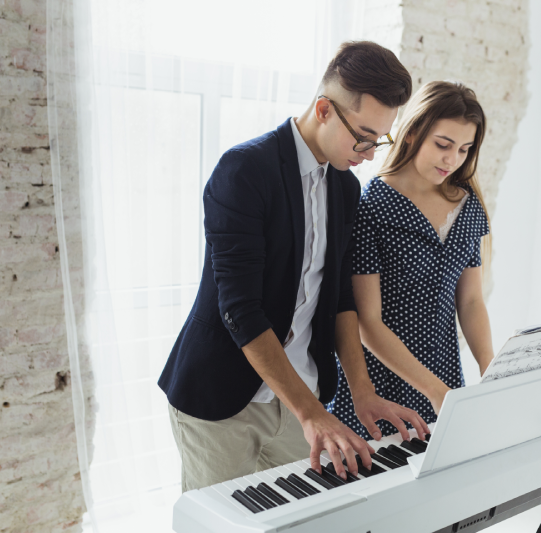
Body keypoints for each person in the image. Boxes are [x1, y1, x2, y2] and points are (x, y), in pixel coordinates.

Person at [158, 41, 429, 492]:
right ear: (324, 109)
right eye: (362, 136)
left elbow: (341, 298)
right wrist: (313, 415)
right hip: (221, 398)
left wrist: (361, 392)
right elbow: (241, 310)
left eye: (378, 140)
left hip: (300, 393)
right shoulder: (245, 170)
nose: (367, 153)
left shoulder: (344, 189)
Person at [327, 81, 496, 439]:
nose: (452, 160)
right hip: (380, 382)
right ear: (412, 132)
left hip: (445, 377)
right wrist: (433, 390)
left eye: (465, 149)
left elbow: (470, 301)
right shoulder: (373, 205)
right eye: (443, 144)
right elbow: (366, 321)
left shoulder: (468, 207)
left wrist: (489, 367)